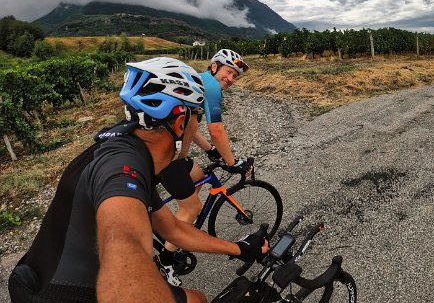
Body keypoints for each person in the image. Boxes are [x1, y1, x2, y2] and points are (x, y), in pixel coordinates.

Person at [7, 57, 267, 303]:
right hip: (63, 294)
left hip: (35, 279)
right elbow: (123, 244)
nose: (194, 128)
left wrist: (239, 248)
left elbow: (172, 229)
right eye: (195, 118)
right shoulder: (122, 169)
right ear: (179, 123)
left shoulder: (130, 150)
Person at [155, 49, 252, 286]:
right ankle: (165, 262)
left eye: (235, 76)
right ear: (215, 67)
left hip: (175, 156)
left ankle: (176, 225)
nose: (230, 79)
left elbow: (192, 126)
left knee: (197, 174)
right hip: (166, 157)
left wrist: (210, 150)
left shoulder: (197, 81)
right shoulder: (210, 86)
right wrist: (233, 162)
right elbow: (217, 129)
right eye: (229, 72)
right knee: (193, 205)